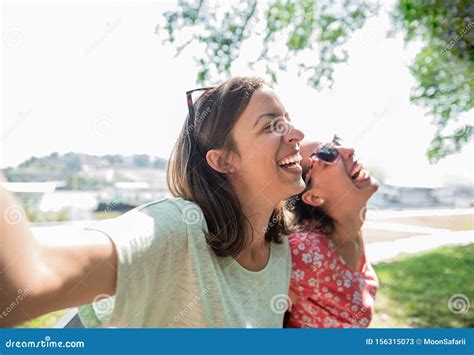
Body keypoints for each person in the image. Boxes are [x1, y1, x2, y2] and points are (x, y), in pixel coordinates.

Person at [0, 77, 306, 328]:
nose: (297, 134)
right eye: (271, 126)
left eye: (287, 121)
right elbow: (26, 281)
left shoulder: (280, 252)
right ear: (224, 160)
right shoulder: (176, 229)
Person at [285, 136, 379, 328]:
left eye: (337, 142)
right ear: (313, 196)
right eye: (327, 153)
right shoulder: (304, 251)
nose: (349, 149)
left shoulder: (352, 232)